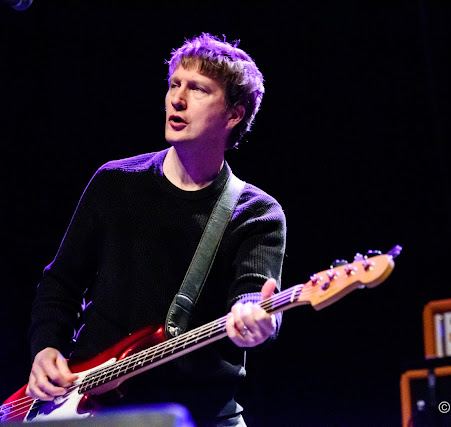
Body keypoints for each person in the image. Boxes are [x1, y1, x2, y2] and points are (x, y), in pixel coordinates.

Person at [25, 33, 286, 426]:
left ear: (234, 114)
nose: (176, 100)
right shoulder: (115, 182)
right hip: (95, 406)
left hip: (202, 414)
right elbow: (61, 283)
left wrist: (258, 320)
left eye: (197, 89)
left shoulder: (257, 212)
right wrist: (46, 349)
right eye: (174, 85)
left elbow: (253, 296)